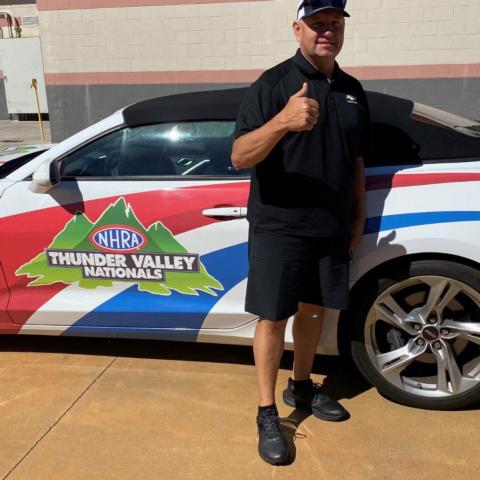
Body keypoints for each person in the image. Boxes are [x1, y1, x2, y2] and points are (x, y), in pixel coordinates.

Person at [231, 0, 370, 466]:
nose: (326, 32)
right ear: (297, 29)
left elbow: (356, 161)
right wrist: (282, 122)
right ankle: (267, 412)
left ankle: (302, 387)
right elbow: (240, 156)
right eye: (316, 24)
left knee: (313, 313)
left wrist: (356, 218)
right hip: (280, 226)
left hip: (329, 227)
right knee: (273, 319)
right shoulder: (272, 86)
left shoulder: (352, 90)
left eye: (334, 24)